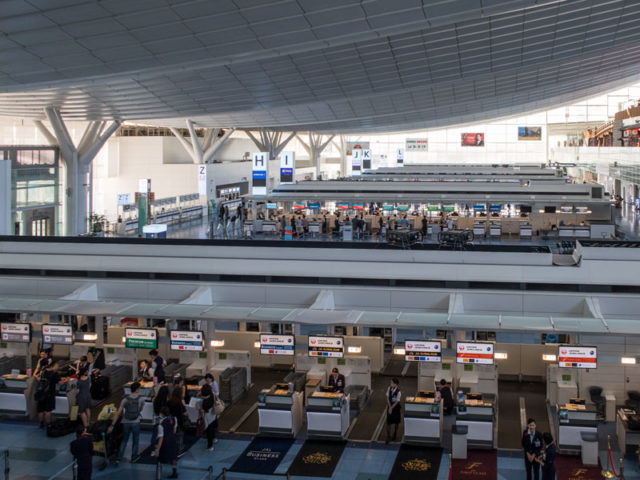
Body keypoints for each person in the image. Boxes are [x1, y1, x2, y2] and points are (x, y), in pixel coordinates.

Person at [108, 381, 146, 464]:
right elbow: (141, 409)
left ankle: (119, 458)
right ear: (137, 389)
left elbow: (119, 412)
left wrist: (112, 425)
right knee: (136, 440)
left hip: (126, 422)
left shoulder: (125, 399)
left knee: (124, 440)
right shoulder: (141, 398)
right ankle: (134, 457)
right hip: (136, 421)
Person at [153, 407, 179, 479]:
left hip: (165, 442)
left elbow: (161, 438)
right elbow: (174, 431)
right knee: (173, 457)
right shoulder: (174, 419)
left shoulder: (161, 425)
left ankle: (158, 474)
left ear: (162, 414)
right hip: (173, 440)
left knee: (160, 459)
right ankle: (175, 472)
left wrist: (157, 449)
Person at [37, 360, 61, 429]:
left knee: (40, 410)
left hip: (41, 393)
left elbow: (37, 378)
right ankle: (48, 424)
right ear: (53, 365)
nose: (58, 366)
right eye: (57, 365)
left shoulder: (42, 371)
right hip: (49, 394)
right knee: (48, 410)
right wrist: (67, 380)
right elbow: (59, 383)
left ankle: (41, 423)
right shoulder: (54, 374)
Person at [199, 383, 218, 451]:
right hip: (213, 413)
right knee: (212, 428)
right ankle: (214, 438)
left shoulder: (204, 401)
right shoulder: (212, 395)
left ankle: (210, 446)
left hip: (207, 417)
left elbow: (203, 410)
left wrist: (199, 408)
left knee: (209, 431)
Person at [385, 378, 402, 443]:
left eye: (392, 383)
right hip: (390, 407)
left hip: (396, 408)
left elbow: (397, 401)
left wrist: (391, 408)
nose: (390, 384)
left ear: (395, 384)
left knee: (396, 422)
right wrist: (389, 407)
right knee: (388, 422)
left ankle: (395, 434)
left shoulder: (398, 392)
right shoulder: (389, 388)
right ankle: (388, 436)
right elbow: (387, 397)